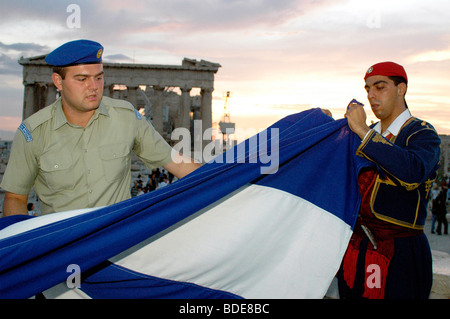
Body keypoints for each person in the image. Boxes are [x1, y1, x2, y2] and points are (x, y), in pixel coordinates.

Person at [0, 39, 200, 216]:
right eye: (82, 79)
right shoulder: (32, 132)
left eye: (98, 77)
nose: (94, 86)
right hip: (62, 248)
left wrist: (227, 179)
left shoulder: (127, 117)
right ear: (58, 82)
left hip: (116, 244)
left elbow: (179, 163)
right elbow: (15, 198)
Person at [337, 61, 441, 299]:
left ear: (401, 89)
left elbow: (412, 172)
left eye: (380, 86)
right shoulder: (363, 131)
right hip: (357, 248)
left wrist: (363, 131)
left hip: (401, 253)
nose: (371, 95)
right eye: (367, 89)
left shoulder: (421, 133)